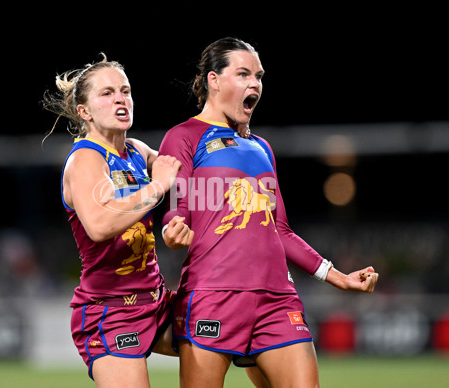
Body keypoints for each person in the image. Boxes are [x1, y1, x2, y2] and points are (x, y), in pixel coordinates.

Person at [159, 37, 379, 388]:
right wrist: (172, 230)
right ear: (213, 80)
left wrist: (337, 277)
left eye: (259, 76)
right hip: (212, 297)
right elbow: (178, 209)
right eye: (243, 73)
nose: (255, 84)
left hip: (276, 300)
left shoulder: (262, 147)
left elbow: (281, 231)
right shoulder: (184, 136)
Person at [41, 55, 183, 387]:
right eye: (107, 93)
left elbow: (184, 173)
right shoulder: (86, 158)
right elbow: (101, 225)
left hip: (156, 303)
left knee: (229, 327)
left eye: (125, 90)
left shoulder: (135, 150)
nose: (120, 98)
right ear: (84, 111)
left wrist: (181, 217)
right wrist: (158, 186)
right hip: (110, 312)